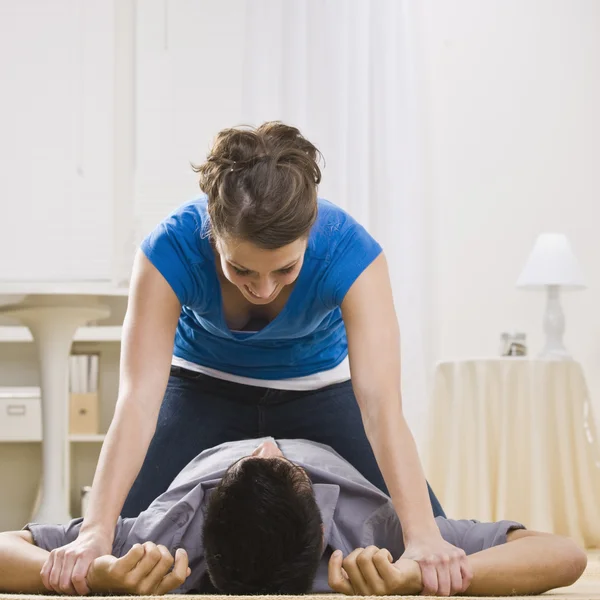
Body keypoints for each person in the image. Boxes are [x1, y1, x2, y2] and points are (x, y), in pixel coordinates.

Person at [42, 121, 460, 595]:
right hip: (202, 387)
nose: (262, 290)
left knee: (434, 555)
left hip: (317, 391)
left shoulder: (351, 254)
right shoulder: (169, 249)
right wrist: (96, 531)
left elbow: (382, 405)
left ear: (309, 236)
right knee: (117, 549)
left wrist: (423, 536)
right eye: (240, 268)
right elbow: (137, 399)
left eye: (285, 269)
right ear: (212, 235)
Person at [0, 438, 586, 596]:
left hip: (308, 392)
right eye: (275, 461)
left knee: (427, 527)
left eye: (264, 457)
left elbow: (11, 545)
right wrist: (422, 578)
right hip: (220, 387)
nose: (266, 444)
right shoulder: (376, 535)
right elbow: (564, 554)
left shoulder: (159, 534)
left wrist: (90, 573)